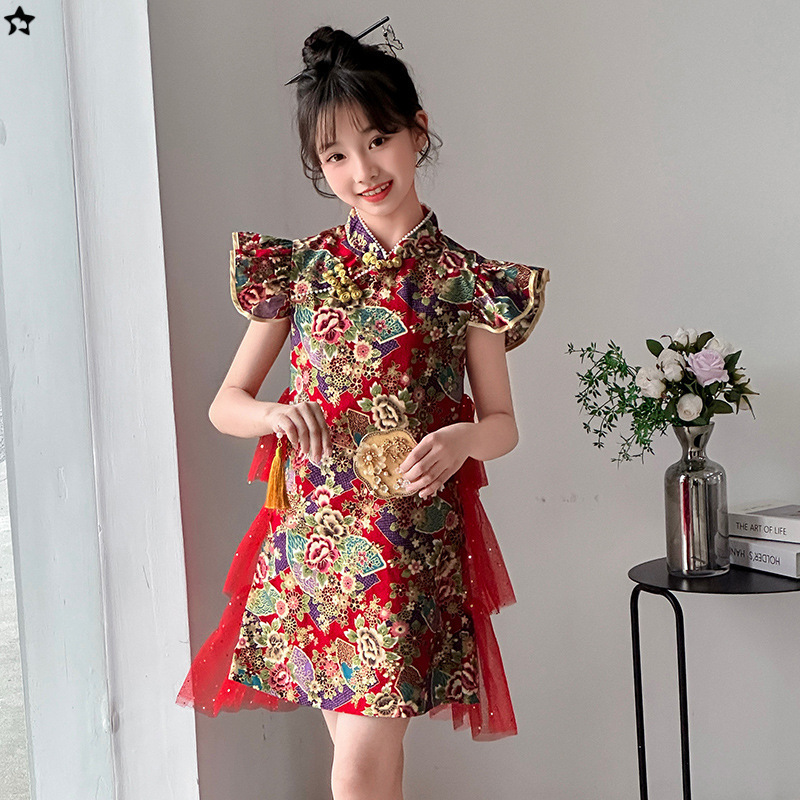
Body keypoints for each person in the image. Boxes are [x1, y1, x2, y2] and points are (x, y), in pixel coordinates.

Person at [177, 23, 550, 800]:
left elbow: (503, 424)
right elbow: (226, 404)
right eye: (336, 156)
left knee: (358, 767)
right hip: (311, 544)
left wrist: (462, 438)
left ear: (418, 131)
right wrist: (273, 418)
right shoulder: (302, 270)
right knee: (369, 765)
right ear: (319, 167)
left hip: (407, 547)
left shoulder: (467, 280)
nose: (362, 170)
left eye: (378, 140)